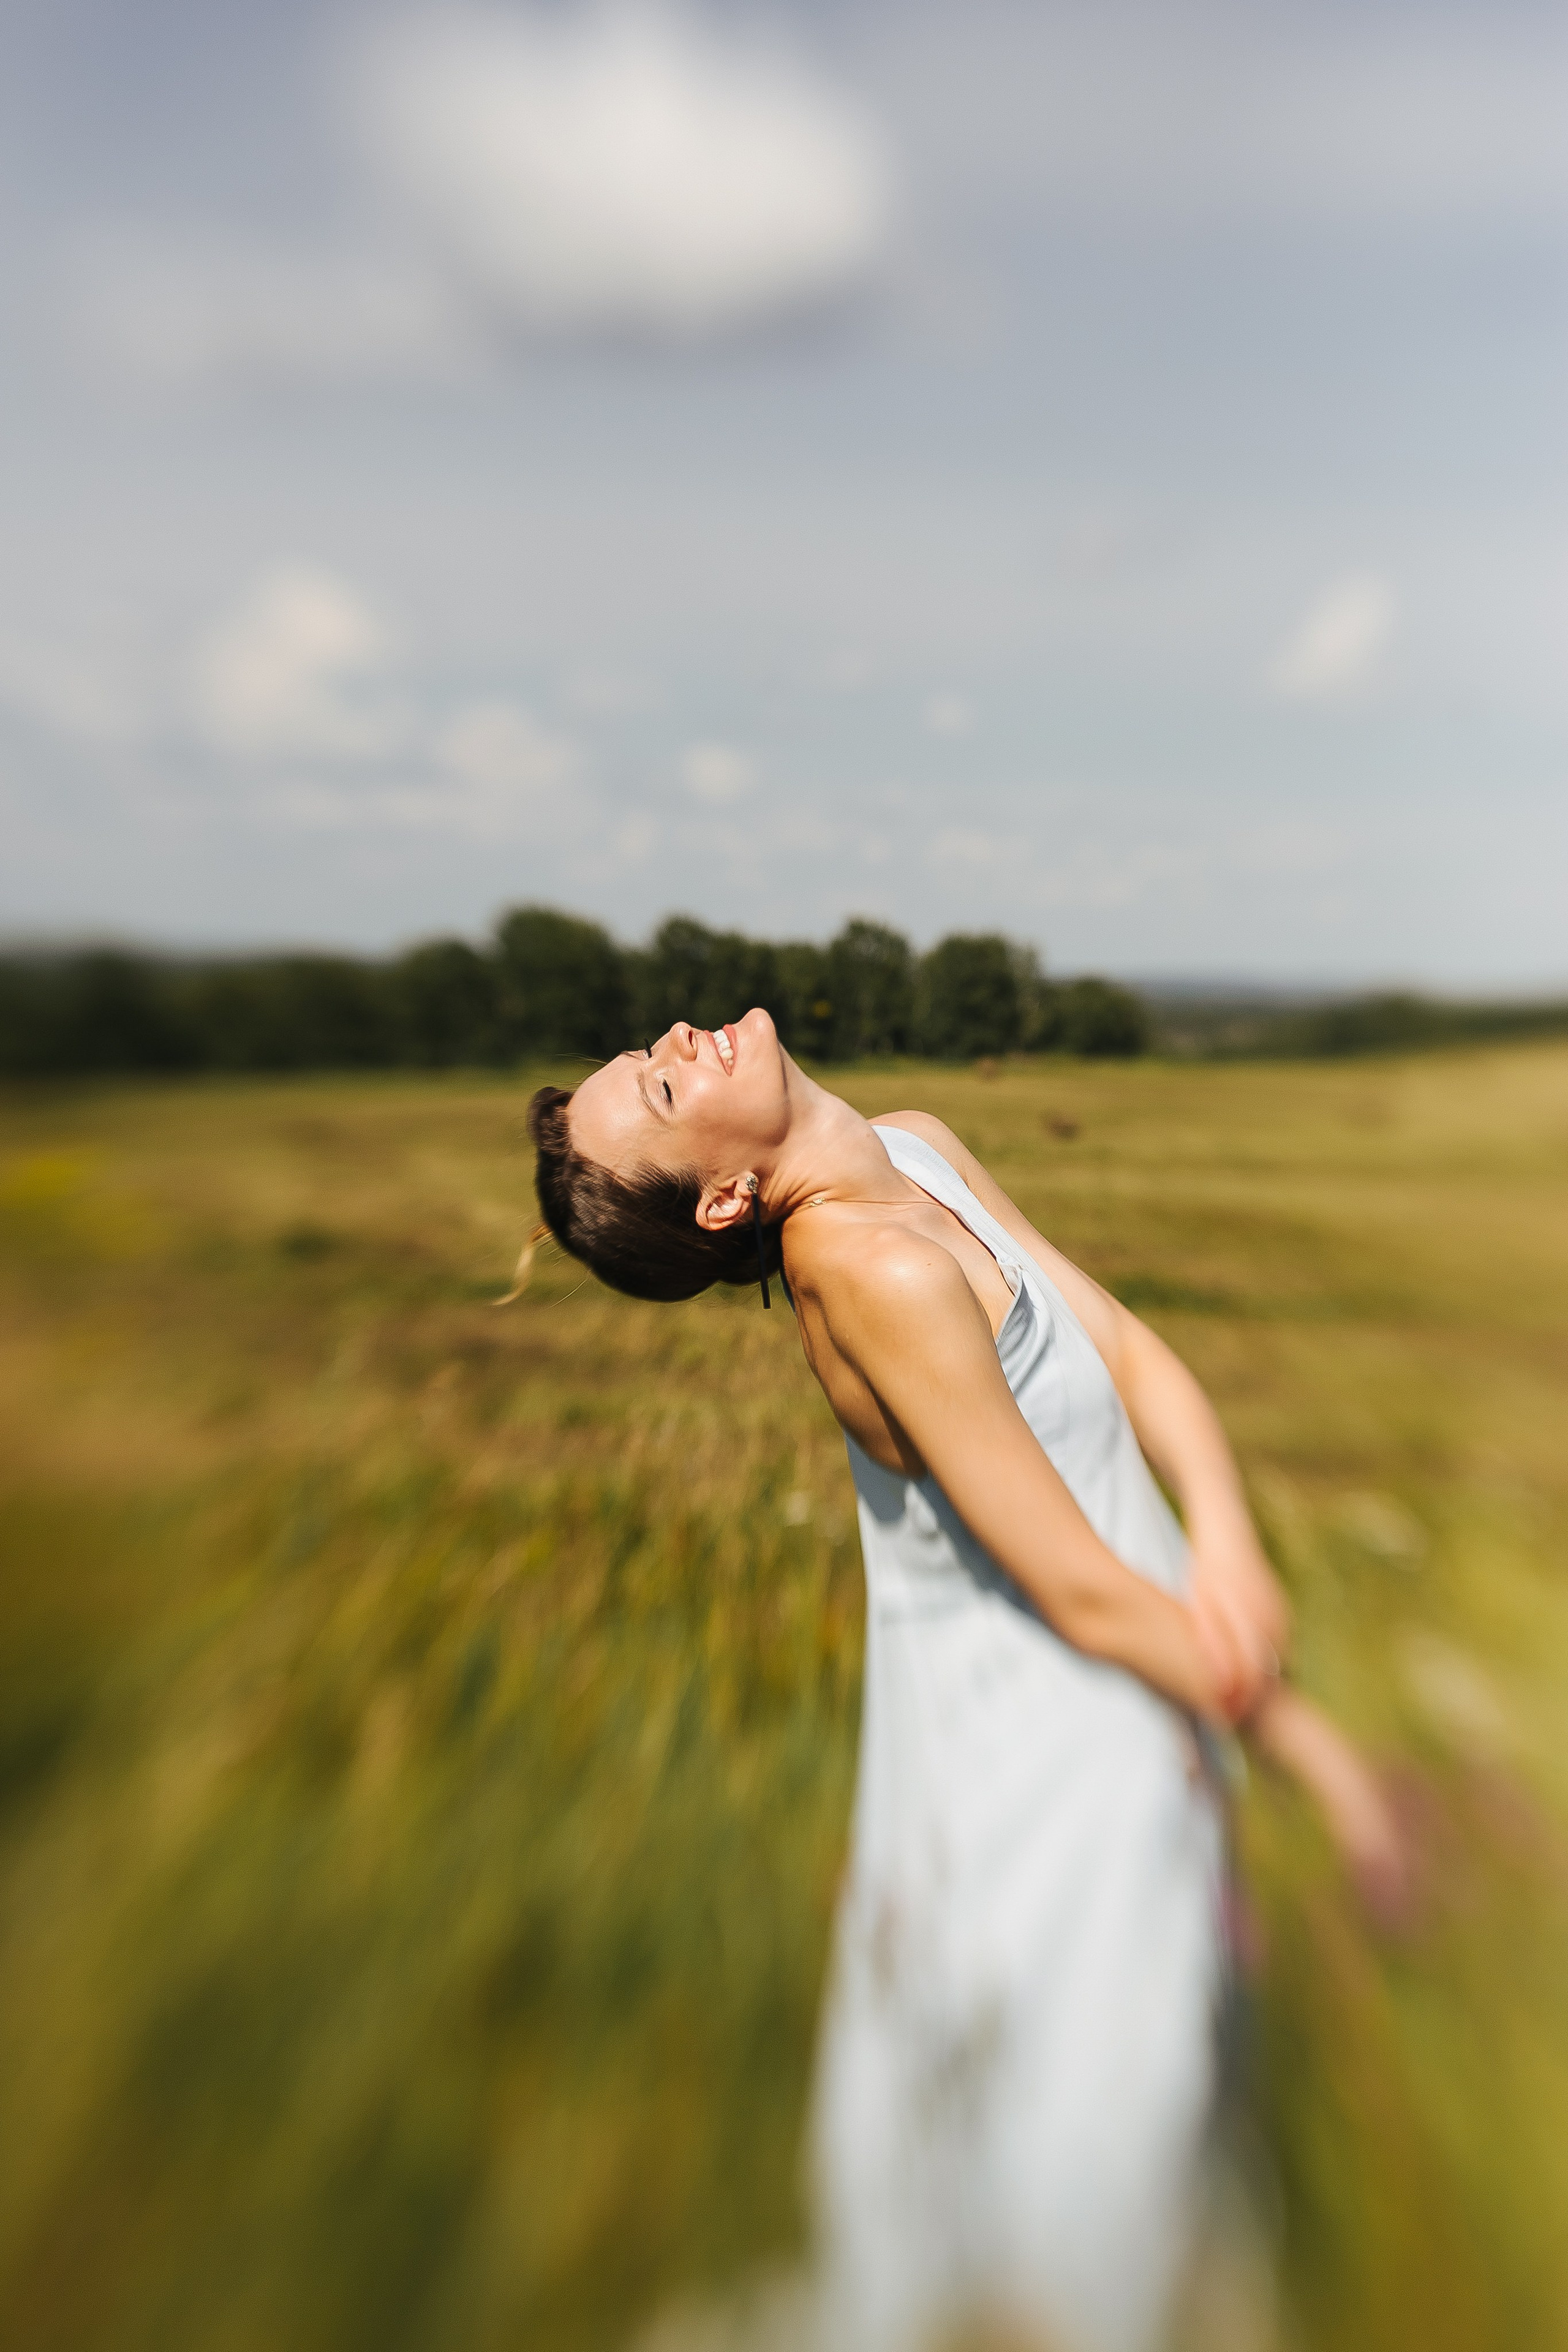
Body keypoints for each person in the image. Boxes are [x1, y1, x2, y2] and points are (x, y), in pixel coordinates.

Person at [525, 1009, 1403, 2352]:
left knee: (1148, 2124)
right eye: (659, 1080)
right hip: (1044, 1764)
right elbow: (1078, 1592)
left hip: (1146, 1675)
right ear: (722, 1198)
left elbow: (1111, 1336)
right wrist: (1322, 1761)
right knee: (1091, 2170)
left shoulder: (911, 1148)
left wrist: (1223, 1526)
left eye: (652, 1046)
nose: (680, 1035)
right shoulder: (870, 1277)